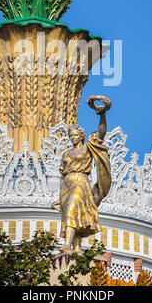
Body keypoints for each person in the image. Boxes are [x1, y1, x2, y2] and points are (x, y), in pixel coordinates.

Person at [52, 95, 112, 253]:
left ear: (81, 136)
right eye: (70, 136)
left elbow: (101, 133)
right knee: (73, 214)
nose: (72, 138)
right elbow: (62, 175)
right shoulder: (66, 152)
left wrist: (102, 115)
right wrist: (59, 197)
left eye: (75, 135)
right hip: (67, 185)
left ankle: (66, 245)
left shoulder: (87, 148)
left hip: (81, 182)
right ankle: (76, 248)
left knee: (73, 209)